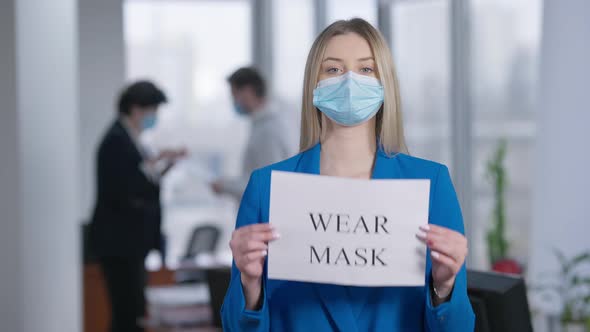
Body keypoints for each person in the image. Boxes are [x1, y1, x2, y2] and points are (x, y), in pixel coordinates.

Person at [221, 19, 475, 331]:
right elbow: (237, 326)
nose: (350, 81)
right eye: (333, 69)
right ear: (314, 84)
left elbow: (459, 327)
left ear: (385, 84)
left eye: (366, 70)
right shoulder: (266, 188)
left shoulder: (431, 185)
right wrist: (250, 285)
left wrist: (444, 286)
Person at [89, 81, 186, 332]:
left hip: (130, 244)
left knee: (133, 311)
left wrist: (162, 164)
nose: (154, 117)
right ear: (135, 109)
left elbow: (141, 185)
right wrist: (155, 165)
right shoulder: (116, 141)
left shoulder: (132, 140)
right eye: (152, 110)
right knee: (127, 314)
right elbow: (128, 190)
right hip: (120, 244)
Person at [211, 67, 294, 200]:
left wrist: (226, 187)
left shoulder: (268, 130)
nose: (234, 102)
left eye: (234, 95)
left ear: (248, 92)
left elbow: (268, 184)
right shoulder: (262, 125)